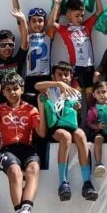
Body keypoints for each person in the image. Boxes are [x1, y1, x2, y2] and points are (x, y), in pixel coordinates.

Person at [0, 73, 47, 213]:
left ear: (22, 90)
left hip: (27, 148)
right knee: (15, 171)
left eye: (16, 89)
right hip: (7, 149)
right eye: (8, 90)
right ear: (3, 92)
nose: (12, 92)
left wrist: (41, 108)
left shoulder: (30, 109)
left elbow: (41, 133)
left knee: (33, 169)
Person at [36, 62, 98, 201]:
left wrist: (76, 109)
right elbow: (37, 86)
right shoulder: (50, 89)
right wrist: (58, 85)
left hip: (70, 125)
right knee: (65, 137)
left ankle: (87, 182)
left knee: (81, 135)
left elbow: (77, 116)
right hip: (56, 127)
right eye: (60, 75)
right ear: (53, 76)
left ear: (71, 76)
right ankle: (63, 182)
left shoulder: (75, 93)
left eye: (66, 75)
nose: (64, 78)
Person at [50, 0, 103, 98]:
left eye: (82, 15)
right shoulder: (64, 30)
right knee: (75, 100)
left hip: (90, 68)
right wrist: (57, 3)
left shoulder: (86, 26)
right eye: (77, 15)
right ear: (68, 15)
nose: (80, 18)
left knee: (90, 100)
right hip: (75, 69)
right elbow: (51, 23)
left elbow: (99, 11)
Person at [9, 0, 56, 98]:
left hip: (46, 76)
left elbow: (52, 20)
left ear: (44, 22)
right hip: (30, 77)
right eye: (33, 21)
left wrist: (56, 3)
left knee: (47, 108)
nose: (37, 23)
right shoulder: (27, 35)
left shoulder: (48, 35)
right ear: (29, 23)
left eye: (40, 20)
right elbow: (19, 16)